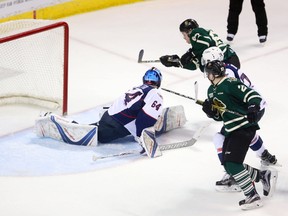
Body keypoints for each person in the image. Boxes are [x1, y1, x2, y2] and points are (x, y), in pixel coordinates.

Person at [35, 67, 187, 158]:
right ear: (158, 82)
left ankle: (59, 120)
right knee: (93, 135)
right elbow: (144, 119)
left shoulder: (137, 88)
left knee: (95, 128)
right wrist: (142, 137)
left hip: (110, 116)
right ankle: (56, 121)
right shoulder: (156, 94)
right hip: (116, 125)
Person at [201, 60, 277, 210]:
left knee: (233, 164)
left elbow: (253, 95)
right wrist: (211, 112)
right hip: (231, 129)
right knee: (228, 166)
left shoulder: (230, 83)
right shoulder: (211, 90)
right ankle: (262, 176)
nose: (207, 75)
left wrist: (253, 107)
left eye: (208, 73)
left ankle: (252, 196)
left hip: (243, 127)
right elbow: (219, 116)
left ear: (213, 73)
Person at [159, 18, 241, 72]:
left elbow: (207, 42)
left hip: (227, 60)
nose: (184, 38)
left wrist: (191, 53)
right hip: (226, 61)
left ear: (190, 31)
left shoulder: (196, 33)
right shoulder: (198, 46)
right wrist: (175, 62)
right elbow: (195, 65)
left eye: (184, 35)